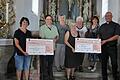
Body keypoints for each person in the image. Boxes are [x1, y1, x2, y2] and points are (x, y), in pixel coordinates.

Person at [98, 12, 120, 80]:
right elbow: (99, 34)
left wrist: (106, 41)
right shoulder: (102, 26)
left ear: (111, 16)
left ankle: (115, 77)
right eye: (106, 16)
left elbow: (116, 36)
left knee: (114, 63)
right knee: (103, 64)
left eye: (109, 16)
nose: (107, 17)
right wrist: (98, 39)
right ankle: (104, 78)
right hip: (103, 48)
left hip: (112, 47)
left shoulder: (116, 25)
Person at [39, 15, 59, 80]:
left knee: (50, 63)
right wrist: (50, 40)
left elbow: (57, 36)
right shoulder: (42, 28)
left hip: (52, 48)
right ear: (45, 20)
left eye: (50, 19)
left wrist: (55, 39)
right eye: (47, 19)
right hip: (44, 49)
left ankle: (51, 76)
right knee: (44, 63)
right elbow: (42, 37)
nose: (49, 20)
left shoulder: (54, 27)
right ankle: (45, 77)